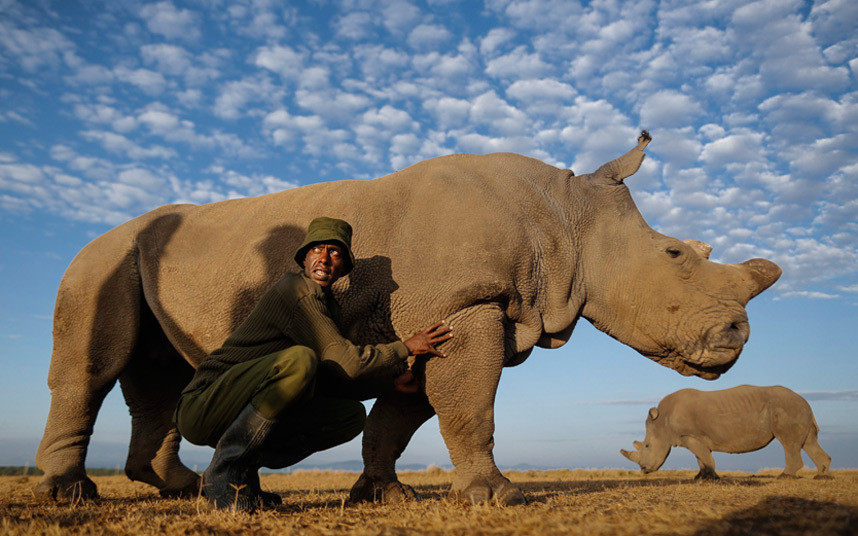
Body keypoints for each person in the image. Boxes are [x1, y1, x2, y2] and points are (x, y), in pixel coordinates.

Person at [174, 216, 452, 512]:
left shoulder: (327, 306)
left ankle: (243, 477)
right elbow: (346, 360)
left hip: (236, 411)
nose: (324, 258)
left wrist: (388, 383)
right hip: (202, 405)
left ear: (343, 266)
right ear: (304, 259)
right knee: (300, 361)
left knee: (349, 416)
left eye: (335, 252)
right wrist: (405, 347)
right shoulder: (295, 290)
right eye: (317, 249)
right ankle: (224, 470)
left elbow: (334, 375)